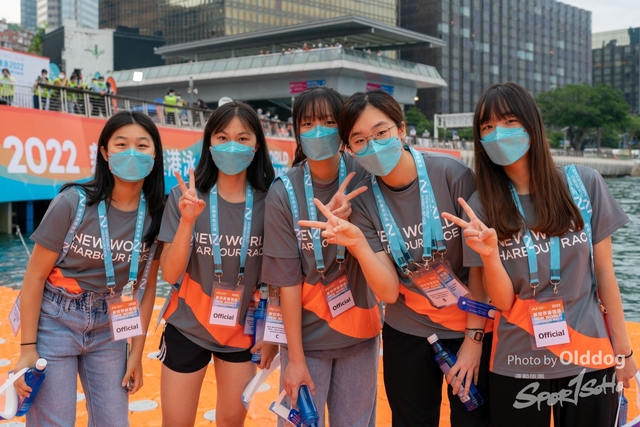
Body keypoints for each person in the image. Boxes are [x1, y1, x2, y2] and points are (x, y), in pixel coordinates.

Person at [441, 82, 637, 427]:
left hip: (588, 353)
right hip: (517, 360)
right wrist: (490, 255)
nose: (498, 134)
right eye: (487, 127)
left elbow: (606, 273)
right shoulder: (481, 206)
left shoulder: (584, 184)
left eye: (509, 122)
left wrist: (623, 352)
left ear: (532, 126)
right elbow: (500, 300)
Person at [303, 89, 491, 427]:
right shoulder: (362, 199)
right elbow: (388, 292)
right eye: (359, 140)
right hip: (408, 330)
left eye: (381, 132)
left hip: (469, 325)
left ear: (401, 130)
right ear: (349, 149)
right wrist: (358, 243)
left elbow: (479, 270)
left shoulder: (452, 175)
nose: (372, 145)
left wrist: (474, 340)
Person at [13, 110, 165, 426]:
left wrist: (136, 353)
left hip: (111, 324)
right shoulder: (73, 202)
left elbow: (146, 286)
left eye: (142, 145)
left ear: (155, 156)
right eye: (121, 144)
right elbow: (35, 276)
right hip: (56, 319)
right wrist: (27, 349)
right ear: (105, 153)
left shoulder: (156, 215)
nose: (132, 153)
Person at [261, 86, 381, 427]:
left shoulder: (366, 176)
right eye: (308, 123)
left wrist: (356, 221)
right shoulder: (282, 192)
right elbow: (285, 282)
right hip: (307, 341)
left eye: (329, 122)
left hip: (360, 337)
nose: (318, 130)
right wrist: (294, 358)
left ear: (343, 128)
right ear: (296, 132)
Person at [158, 101, 277, 427]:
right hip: (187, 326)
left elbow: (279, 276)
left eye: (242, 138)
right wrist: (187, 221)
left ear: (256, 145)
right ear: (209, 143)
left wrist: (272, 333)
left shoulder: (271, 202)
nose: (232, 146)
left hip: (241, 331)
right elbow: (169, 273)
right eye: (223, 138)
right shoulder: (185, 196)